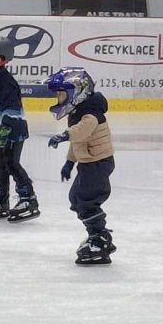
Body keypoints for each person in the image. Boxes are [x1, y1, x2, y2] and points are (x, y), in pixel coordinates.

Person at [47, 67, 115, 265]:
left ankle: (100, 238)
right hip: (89, 162)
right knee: (76, 199)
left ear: (76, 93)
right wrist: (69, 162)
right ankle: (97, 234)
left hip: (98, 163)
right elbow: (79, 142)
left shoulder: (90, 112)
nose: (58, 98)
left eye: (60, 94)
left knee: (86, 202)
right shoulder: (78, 111)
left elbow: (83, 130)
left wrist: (64, 135)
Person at [0, 37, 39, 222]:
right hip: (0, 131)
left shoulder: (4, 81)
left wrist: (4, 129)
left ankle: (28, 199)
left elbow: (11, 109)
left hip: (12, 132)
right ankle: (0, 200)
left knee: (11, 163)